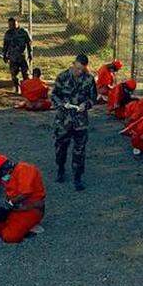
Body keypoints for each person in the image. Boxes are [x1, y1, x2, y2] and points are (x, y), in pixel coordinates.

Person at [51, 54, 98, 191]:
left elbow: (93, 97)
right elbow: (54, 95)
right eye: (77, 68)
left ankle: (78, 177)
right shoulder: (63, 77)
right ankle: (60, 169)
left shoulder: (89, 79)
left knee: (79, 151)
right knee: (60, 148)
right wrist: (61, 104)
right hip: (63, 120)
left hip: (80, 122)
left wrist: (86, 104)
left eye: (81, 70)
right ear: (73, 64)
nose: (78, 72)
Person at [0, 155, 46, 243]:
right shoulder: (9, 174)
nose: (1, 177)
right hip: (15, 207)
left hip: (31, 208)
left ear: (5, 169)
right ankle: (22, 227)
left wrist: (10, 203)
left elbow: (25, 193)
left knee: (9, 237)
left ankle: (28, 227)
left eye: (0, 174)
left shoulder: (25, 169)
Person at [2, 17, 33, 93]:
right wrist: (4, 55)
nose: (11, 26)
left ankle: (27, 89)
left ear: (17, 23)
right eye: (10, 24)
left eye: (13, 24)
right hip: (13, 57)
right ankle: (17, 88)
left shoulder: (24, 32)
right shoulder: (8, 33)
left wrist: (30, 53)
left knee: (25, 74)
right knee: (14, 74)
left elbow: (29, 43)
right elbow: (5, 45)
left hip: (23, 57)